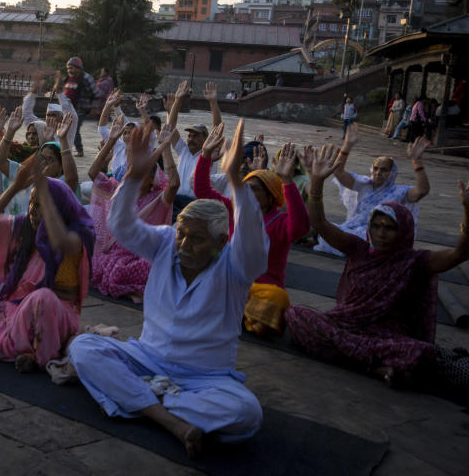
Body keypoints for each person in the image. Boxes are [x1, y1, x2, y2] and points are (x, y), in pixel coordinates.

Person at [67, 120, 268, 457]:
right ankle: (169, 417)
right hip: (147, 357)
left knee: (246, 414)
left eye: (197, 238)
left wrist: (236, 180)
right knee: (83, 348)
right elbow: (122, 226)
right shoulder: (164, 243)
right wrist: (133, 176)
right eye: (182, 233)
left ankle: (140, 397)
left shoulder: (235, 265)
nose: (185, 244)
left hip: (205, 376)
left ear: (220, 242)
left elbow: (252, 242)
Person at [288, 145, 469, 387]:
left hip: (387, 337)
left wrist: (468, 212)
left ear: (403, 231)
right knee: (295, 314)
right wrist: (317, 182)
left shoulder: (414, 261)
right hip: (346, 325)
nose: (381, 233)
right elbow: (320, 223)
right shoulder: (359, 248)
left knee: (421, 353)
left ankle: (357, 357)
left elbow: (460, 254)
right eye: (377, 226)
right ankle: (376, 365)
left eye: (389, 227)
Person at [0, 158, 94, 371]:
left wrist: (44, 189)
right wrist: (15, 187)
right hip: (14, 309)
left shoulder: (76, 236)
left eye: (41, 205)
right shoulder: (27, 226)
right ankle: (20, 347)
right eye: (32, 203)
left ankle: (36, 352)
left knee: (43, 298)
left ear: (58, 208)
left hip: (53, 315)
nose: (33, 210)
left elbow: (59, 242)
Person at [194, 127, 310, 336]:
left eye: (254, 188)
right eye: (244, 186)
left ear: (270, 195)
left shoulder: (280, 221)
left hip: (261, 290)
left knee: (277, 299)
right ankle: (233, 311)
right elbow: (201, 190)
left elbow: (301, 227)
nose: (246, 191)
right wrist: (205, 156)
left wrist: (287, 181)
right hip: (231, 281)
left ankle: (233, 311)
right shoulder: (234, 209)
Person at [88, 117, 179, 301]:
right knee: (92, 264)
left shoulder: (157, 199)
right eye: (134, 172)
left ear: (152, 179)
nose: (135, 176)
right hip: (114, 253)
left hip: (140, 256)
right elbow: (93, 173)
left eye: (142, 174)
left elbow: (174, 184)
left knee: (149, 268)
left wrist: (166, 148)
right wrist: (111, 140)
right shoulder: (118, 190)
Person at [314, 124, 430, 256]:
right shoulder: (364, 184)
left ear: (392, 173)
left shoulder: (400, 192)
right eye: (376, 168)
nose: (378, 173)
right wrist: (347, 145)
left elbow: (421, 191)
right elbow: (339, 172)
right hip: (353, 227)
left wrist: (417, 162)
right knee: (327, 230)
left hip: (376, 234)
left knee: (359, 239)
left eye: (384, 170)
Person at [167, 80, 222, 218]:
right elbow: (170, 129)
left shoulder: (208, 155)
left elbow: (218, 129)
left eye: (196, 136)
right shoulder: (183, 150)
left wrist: (213, 103)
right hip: (176, 200)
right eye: (190, 135)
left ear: (205, 139)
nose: (191, 138)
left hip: (197, 204)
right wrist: (178, 100)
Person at [63, 57, 97, 156]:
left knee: (74, 130)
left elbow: (96, 94)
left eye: (72, 68)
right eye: (68, 68)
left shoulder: (86, 78)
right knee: (66, 129)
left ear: (79, 68)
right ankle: (65, 149)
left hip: (80, 110)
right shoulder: (68, 78)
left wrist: (94, 109)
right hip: (68, 110)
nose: (70, 70)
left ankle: (79, 150)